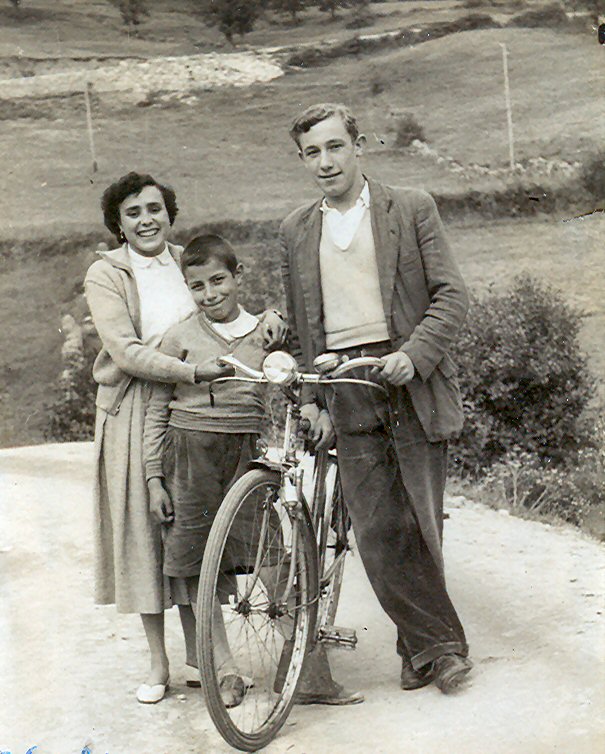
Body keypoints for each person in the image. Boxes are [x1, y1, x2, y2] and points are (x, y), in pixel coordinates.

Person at [279, 103, 473, 694]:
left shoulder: (409, 208)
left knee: (421, 520)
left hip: (408, 376)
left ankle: (423, 651)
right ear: (302, 159)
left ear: (359, 146)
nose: (325, 162)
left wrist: (414, 355)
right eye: (312, 152)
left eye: (335, 147)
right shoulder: (296, 230)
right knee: (376, 529)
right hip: (344, 384)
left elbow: (451, 296)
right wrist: (312, 399)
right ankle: (438, 648)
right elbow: (301, 329)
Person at [84, 172, 285, 704]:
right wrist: (191, 372)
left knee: (192, 534)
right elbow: (126, 351)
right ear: (118, 223)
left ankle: (206, 658)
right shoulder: (106, 273)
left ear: (169, 214)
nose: (146, 220)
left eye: (154, 208)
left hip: (192, 408)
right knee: (144, 536)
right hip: (134, 406)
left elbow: (224, 309)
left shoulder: (184, 261)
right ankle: (158, 662)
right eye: (133, 213)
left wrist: (270, 318)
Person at [143, 232, 363, 708]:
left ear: (237, 276)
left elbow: (292, 377)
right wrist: (153, 477)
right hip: (189, 456)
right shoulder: (178, 338)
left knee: (272, 558)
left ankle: (307, 669)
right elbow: (157, 409)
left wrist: (309, 407)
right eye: (197, 286)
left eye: (218, 281)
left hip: (245, 455)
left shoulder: (266, 332)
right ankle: (223, 670)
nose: (210, 294)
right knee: (194, 568)